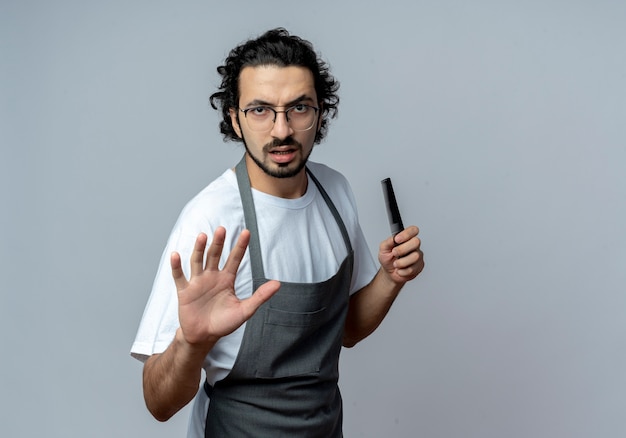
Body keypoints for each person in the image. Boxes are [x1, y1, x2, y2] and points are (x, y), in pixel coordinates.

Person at [130, 28, 424, 437]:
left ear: (321, 111)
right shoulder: (210, 219)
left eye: (299, 108)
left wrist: (391, 278)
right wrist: (191, 344)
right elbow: (158, 403)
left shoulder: (335, 191)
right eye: (260, 110)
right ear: (234, 117)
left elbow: (346, 330)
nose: (281, 130)